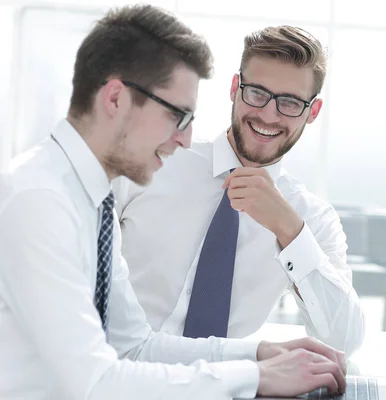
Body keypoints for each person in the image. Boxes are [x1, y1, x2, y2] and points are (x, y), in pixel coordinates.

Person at [0, 5, 347, 399]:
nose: (185, 139)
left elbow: (134, 347)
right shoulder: (40, 201)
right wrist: (256, 377)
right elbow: (94, 383)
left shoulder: (91, 201)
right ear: (116, 99)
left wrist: (260, 354)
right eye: (177, 116)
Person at [114, 25, 365, 354]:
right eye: (257, 94)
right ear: (235, 88)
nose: (268, 115)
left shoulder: (311, 219)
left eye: (289, 102)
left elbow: (344, 338)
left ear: (312, 112)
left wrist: (290, 231)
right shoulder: (153, 157)